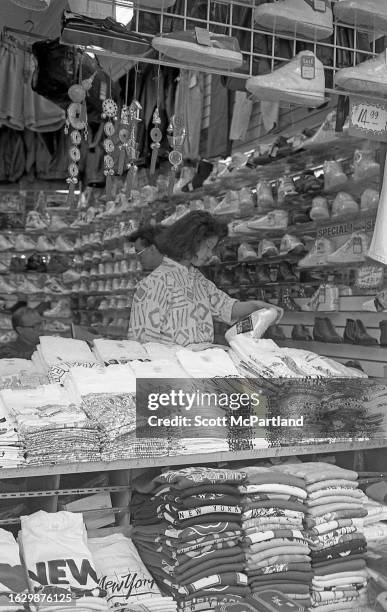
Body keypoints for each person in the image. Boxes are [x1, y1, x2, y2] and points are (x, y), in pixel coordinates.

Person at [128, 211, 283, 346]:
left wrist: (257, 305)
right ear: (190, 240)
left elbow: (226, 307)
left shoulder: (197, 279)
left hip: (199, 366)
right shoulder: (153, 284)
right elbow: (142, 343)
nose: (210, 254)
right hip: (172, 371)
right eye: (208, 246)